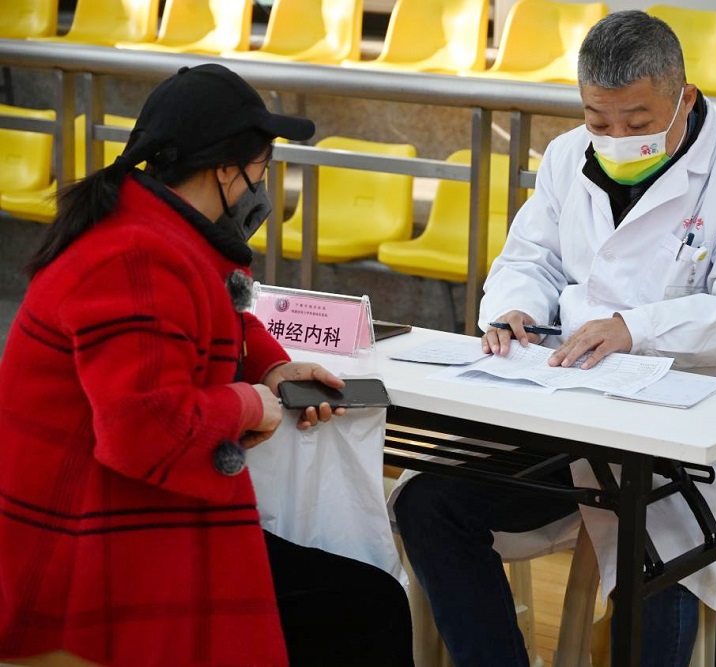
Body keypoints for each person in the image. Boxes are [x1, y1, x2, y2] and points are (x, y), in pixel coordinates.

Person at [394, 11, 716, 666]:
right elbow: (529, 259)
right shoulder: (566, 157)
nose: (617, 139)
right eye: (598, 120)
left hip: (686, 445)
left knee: (661, 562)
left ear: (685, 98)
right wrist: (513, 310)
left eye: (638, 123)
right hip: (567, 420)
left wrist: (635, 329)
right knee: (428, 503)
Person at [0, 64, 412, 666]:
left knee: (360, 602)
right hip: (88, 556)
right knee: (365, 608)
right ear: (225, 170)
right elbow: (141, 427)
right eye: (261, 169)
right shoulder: (136, 257)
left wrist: (271, 369)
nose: (262, 187)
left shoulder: (148, 229)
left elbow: (211, 318)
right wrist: (248, 404)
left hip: (124, 521)